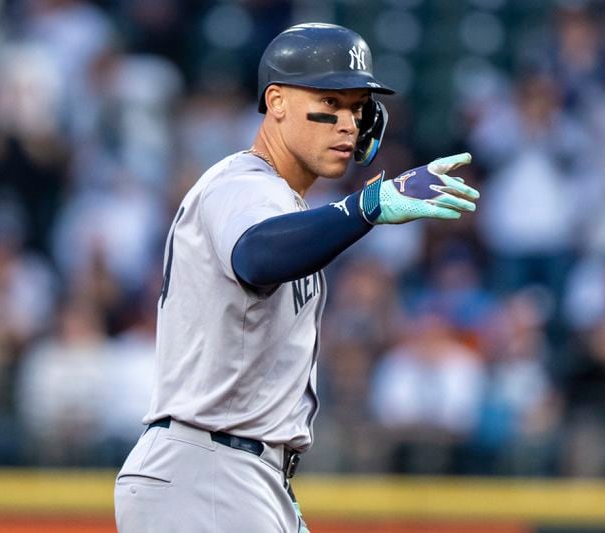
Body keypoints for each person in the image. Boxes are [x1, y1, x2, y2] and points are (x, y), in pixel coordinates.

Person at [113, 22, 479, 532]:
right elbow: (257, 256)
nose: (348, 124)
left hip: (237, 470)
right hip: (209, 467)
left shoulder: (286, 203)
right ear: (277, 101)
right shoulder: (243, 184)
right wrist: (365, 207)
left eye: (358, 108)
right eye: (330, 101)